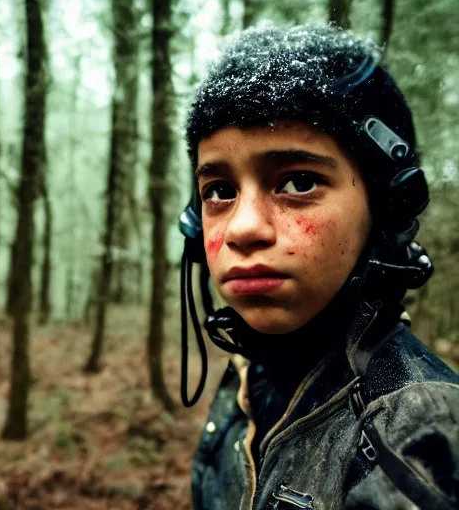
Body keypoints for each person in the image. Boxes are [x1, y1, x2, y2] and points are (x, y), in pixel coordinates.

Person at [176, 26, 459, 509]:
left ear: (387, 207)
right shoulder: (248, 373)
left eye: (299, 181)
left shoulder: (419, 434)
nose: (243, 229)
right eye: (220, 191)